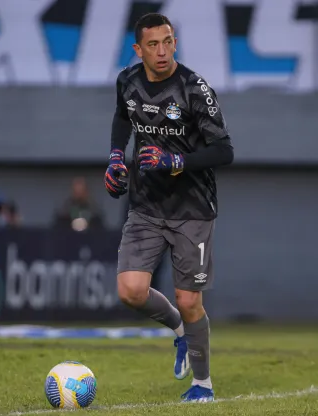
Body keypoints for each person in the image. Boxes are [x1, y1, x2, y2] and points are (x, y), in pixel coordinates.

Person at [104, 13, 234, 403]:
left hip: (192, 209)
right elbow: (121, 117)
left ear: (174, 42)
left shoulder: (195, 90)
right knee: (130, 290)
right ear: (138, 49)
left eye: (168, 41)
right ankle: (179, 331)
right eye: (153, 44)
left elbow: (224, 151)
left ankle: (203, 385)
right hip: (145, 205)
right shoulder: (127, 82)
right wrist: (115, 158)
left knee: (189, 299)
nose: (162, 51)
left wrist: (177, 162)